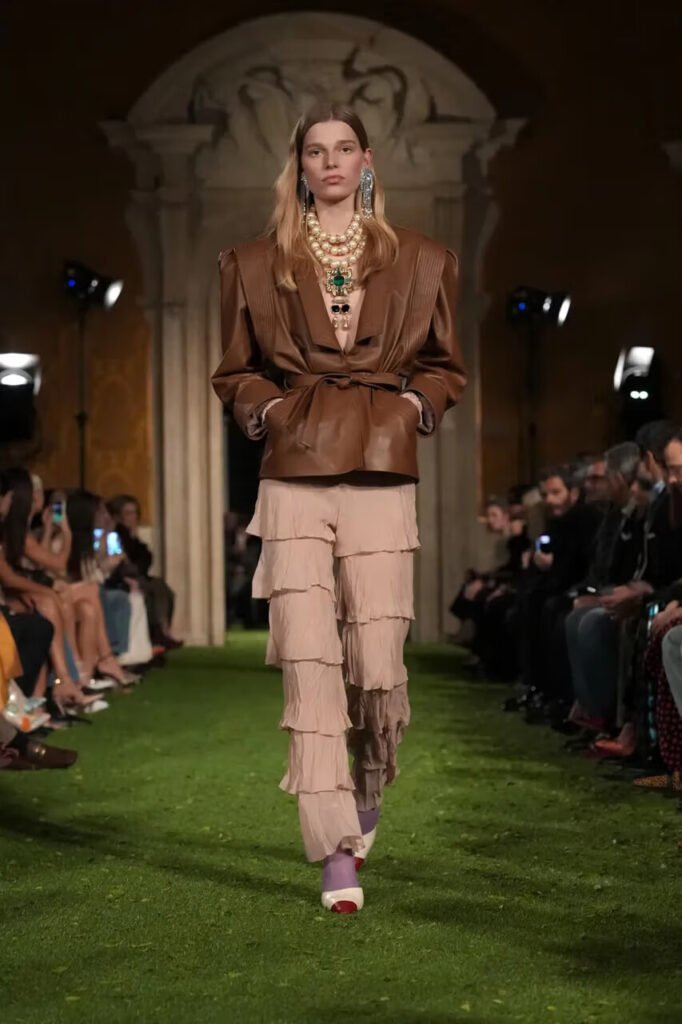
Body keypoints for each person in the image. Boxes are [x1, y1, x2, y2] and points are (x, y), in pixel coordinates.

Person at [211, 103, 466, 914]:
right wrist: (274, 411)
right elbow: (234, 371)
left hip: (383, 470)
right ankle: (334, 856)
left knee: (377, 668)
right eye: (315, 151)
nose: (330, 161)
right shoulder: (251, 262)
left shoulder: (423, 259)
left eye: (344, 147)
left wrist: (413, 410)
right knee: (311, 664)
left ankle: (368, 786)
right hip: (293, 469)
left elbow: (444, 365)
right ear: (299, 167)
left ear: (366, 162)